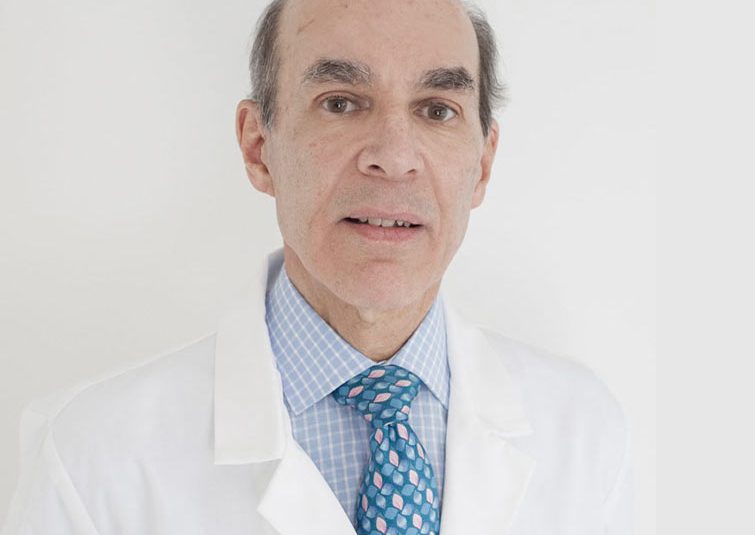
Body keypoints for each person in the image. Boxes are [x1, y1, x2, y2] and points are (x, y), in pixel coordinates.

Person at [1, 0, 632, 533]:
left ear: (483, 164)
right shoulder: (93, 455)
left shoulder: (582, 429)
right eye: (341, 103)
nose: (394, 156)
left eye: (437, 109)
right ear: (259, 147)